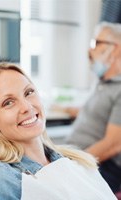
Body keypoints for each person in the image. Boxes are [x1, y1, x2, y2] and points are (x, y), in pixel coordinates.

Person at [0, 62, 117, 200]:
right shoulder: (1, 176)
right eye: (8, 102)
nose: (27, 107)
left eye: (29, 92)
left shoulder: (78, 161)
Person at [64, 22, 121, 193]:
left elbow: (113, 144)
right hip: (79, 157)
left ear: (117, 49)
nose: (90, 51)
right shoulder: (103, 84)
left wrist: (71, 164)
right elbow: (95, 114)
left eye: (96, 43)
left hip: (101, 166)